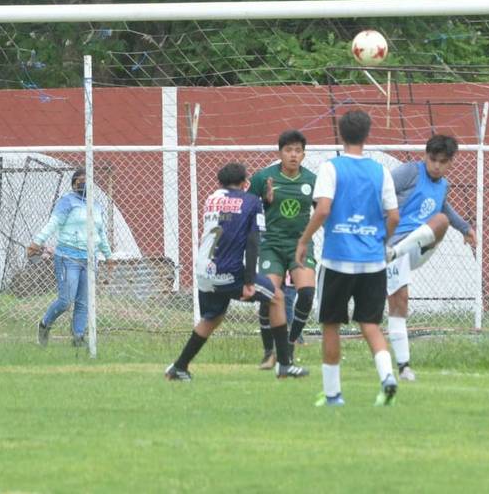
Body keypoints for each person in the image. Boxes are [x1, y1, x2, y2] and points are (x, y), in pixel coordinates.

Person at [166, 162, 308, 381]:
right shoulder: (252, 202)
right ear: (245, 183)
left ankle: (179, 367)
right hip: (230, 272)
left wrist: (264, 203)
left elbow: (232, 219)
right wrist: (249, 281)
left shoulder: (212, 199)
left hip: (204, 271)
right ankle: (285, 365)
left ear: (220, 182)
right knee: (277, 298)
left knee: (212, 318)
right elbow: (253, 242)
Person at [295, 110, 400, 407]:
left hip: (337, 260)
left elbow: (324, 209)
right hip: (372, 261)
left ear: (341, 134)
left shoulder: (331, 168)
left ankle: (332, 394)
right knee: (370, 324)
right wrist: (381, 239)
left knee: (331, 324)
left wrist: (304, 240)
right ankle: (387, 376)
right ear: (367, 135)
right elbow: (393, 215)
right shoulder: (380, 171)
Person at [385, 134, 476, 381]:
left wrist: (466, 228)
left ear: (450, 163)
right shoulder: (410, 173)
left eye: (442, 161)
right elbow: (380, 191)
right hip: (393, 244)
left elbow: (444, 209)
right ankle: (404, 366)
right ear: (425, 156)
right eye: (432, 159)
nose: (436, 165)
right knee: (399, 303)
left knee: (441, 220)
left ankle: (397, 251)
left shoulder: (443, 185)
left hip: (418, 246)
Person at [248, 130, 318, 370]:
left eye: (298, 150)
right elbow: (247, 207)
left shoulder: (312, 179)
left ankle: (288, 344)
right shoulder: (264, 178)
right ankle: (269, 352)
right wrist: (263, 202)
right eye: (288, 150)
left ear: (304, 154)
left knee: (307, 293)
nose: (293, 155)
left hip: (300, 244)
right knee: (268, 296)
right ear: (279, 153)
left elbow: (324, 210)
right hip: (271, 244)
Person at [28, 168, 114, 347]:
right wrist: (37, 242)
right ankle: (44, 325)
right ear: (74, 184)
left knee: (84, 302)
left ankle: (78, 337)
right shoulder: (67, 202)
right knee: (66, 301)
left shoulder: (97, 206)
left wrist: (108, 255)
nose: (83, 184)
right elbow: (54, 223)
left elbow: (101, 232)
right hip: (68, 257)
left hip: (90, 259)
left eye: (87, 180)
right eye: (79, 181)